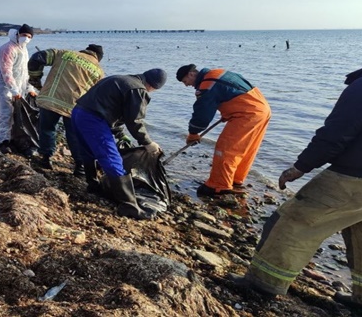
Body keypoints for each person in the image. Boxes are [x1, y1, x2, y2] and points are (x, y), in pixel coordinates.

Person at [229, 48, 362, 315]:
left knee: (292, 221)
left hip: (354, 177)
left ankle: (263, 284)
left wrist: (301, 166)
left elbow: (336, 133)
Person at [72, 69, 166, 220]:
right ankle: (129, 206)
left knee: (88, 151)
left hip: (78, 112)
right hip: (94, 119)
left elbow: (112, 108)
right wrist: (148, 143)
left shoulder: (121, 79)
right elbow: (134, 121)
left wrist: (120, 134)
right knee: (112, 158)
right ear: (153, 86)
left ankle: (93, 185)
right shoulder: (138, 90)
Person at [176, 64, 271, 196]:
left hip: (247, 115)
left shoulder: (207, 84)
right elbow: (234, 92)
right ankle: (235, 180)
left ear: (191, 74)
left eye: (185, 82)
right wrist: (229, 111)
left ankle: (218, 186)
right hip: (263, 110)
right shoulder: (218, 73)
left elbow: (202, 113)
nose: (187, 85)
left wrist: (193, 133)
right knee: (246, 149)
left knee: (225, 149)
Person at [27, 44, 105, 175]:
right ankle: (80, 166)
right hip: (75, 106)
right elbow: (97, 96)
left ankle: (46, 159)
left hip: (51, 98)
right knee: (74, 135)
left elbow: (37, 57)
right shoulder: (99, 71)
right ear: (98, 58)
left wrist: (35, 79)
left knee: (47, 129)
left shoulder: (64, 54)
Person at [0, 24, 36, 154]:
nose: (26, 38)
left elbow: (25, 72)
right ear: (18, 34)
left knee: (16, 115)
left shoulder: (23, 49)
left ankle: (13, 139)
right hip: (5, 87)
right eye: (24, 35)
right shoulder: (7, 49)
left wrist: (29, 88)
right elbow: (6, 72)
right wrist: (14, 90)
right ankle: (2, 141)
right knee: (5, 114)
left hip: (19, 87)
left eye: (29, 37)